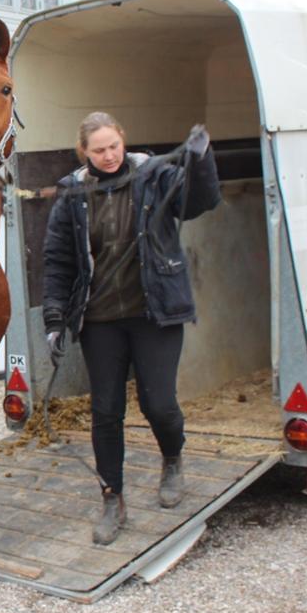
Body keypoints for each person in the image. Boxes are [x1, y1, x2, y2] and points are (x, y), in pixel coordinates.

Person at [41, 111, 220, 545]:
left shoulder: (155, 175)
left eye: (113, 146)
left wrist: (201, 159)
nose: (107, 156)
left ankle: (172, 459)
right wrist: (53, 317)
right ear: (84, 151)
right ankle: (111, 499)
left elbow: (199, 202)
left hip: (153, 312)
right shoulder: (72, 193)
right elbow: (58, 258)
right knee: (106, 412)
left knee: (158, 403)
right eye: (98, 150)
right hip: (100, 320)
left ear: (124, 140)